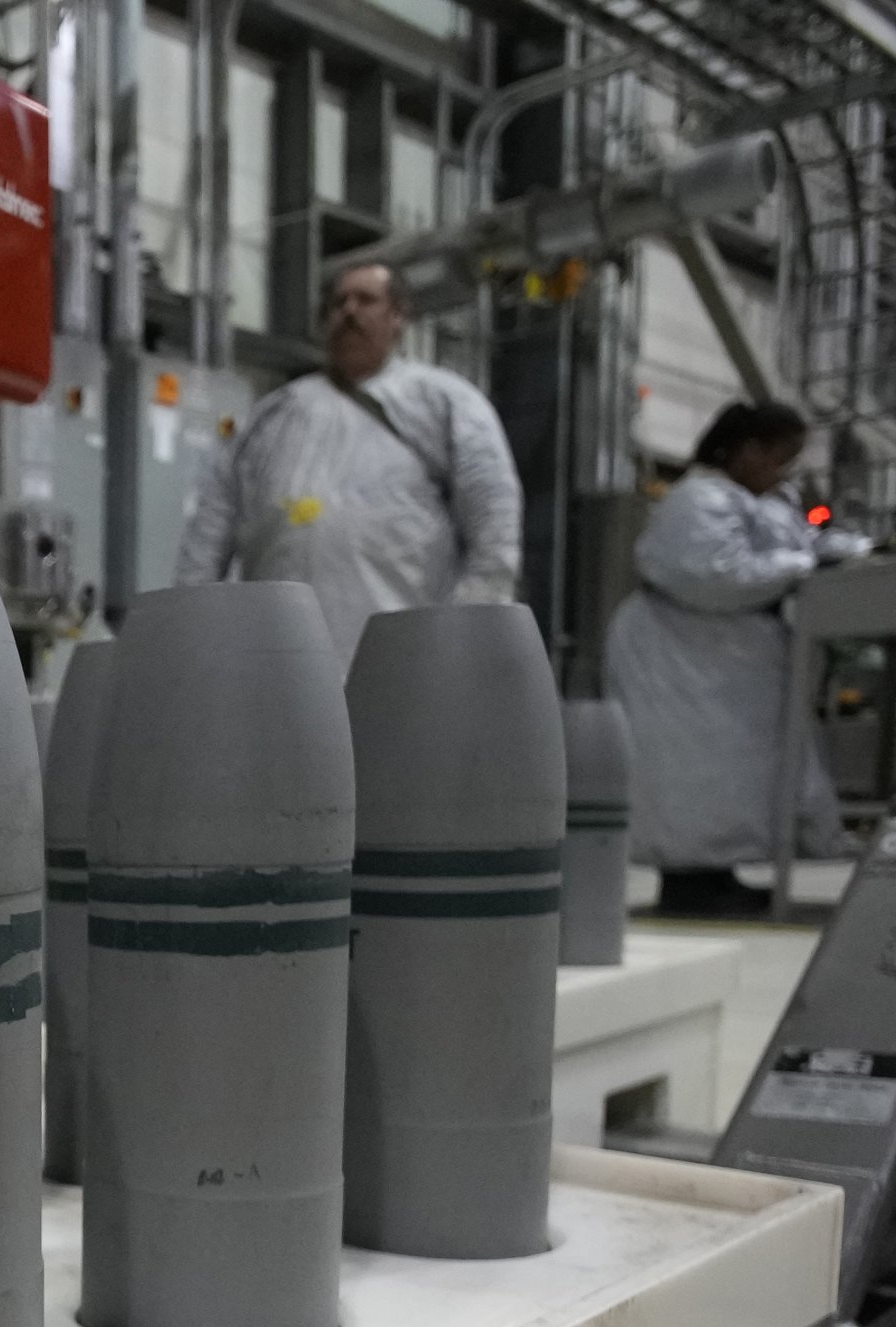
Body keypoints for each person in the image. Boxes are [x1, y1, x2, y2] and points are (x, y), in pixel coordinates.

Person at [175, 263, 525, 665]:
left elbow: (494, 524)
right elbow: (209, 531)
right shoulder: (275, 415)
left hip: (404, 665)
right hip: (276, 664)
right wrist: (187, 630)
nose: (350, 311)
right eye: (339, 303)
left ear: (398, 318)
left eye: (366, 300)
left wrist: (468, 634)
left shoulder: (445, 404)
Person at [603, 400, 852, 920]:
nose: (784, 471)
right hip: (682, 657)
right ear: (748, 450)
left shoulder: (750, 501)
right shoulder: (700, 498)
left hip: (715, 657)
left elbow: (789, 546)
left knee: (726, 775)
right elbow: (713, 575)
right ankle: (690, 882)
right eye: (780, 457)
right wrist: (804, 563)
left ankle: (715, 874)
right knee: (693, 775)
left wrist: (829, 551)